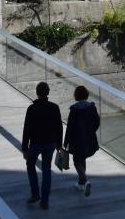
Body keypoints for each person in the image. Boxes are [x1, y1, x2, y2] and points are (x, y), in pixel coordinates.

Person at [21, 81, 63, 210]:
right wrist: (59, 145)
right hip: (50, 143)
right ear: (48, 93)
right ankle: (45, 201)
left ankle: (35, 194)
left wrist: (24, 147)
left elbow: (26, 129)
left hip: (35, 143)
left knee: (30, 165)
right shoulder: (54, 107)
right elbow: (59, 127)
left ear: (37, 93)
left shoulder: (32, 108)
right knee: (46, 169)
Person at [64, 85, 100, 197]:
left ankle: (85, 181)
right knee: (82, 158)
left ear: (76, 96)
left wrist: (66, 141)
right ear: (86, 95)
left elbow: (70, 127)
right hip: (88, 138)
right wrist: (91, 131)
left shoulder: (74, 110)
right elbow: (97, 122)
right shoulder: (92, 107)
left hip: (76, 139)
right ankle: (80, 184)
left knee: (76, 160)